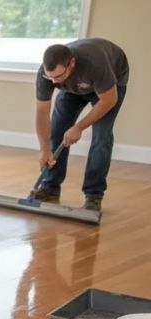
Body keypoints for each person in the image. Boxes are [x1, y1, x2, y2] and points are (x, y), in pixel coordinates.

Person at [33, 38, 129, 213]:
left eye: (58, 77)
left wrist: (79, 127)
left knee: (101, 136)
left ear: (72, 63)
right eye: (50, 77)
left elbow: (109, 100)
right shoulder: (47, 75)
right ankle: (50, 186)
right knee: (57, 131)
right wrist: (44, 148)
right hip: (74, 87)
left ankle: (94, 195)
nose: (54, 82)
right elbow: (42, 112)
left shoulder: (95, 63)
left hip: (109, 87)